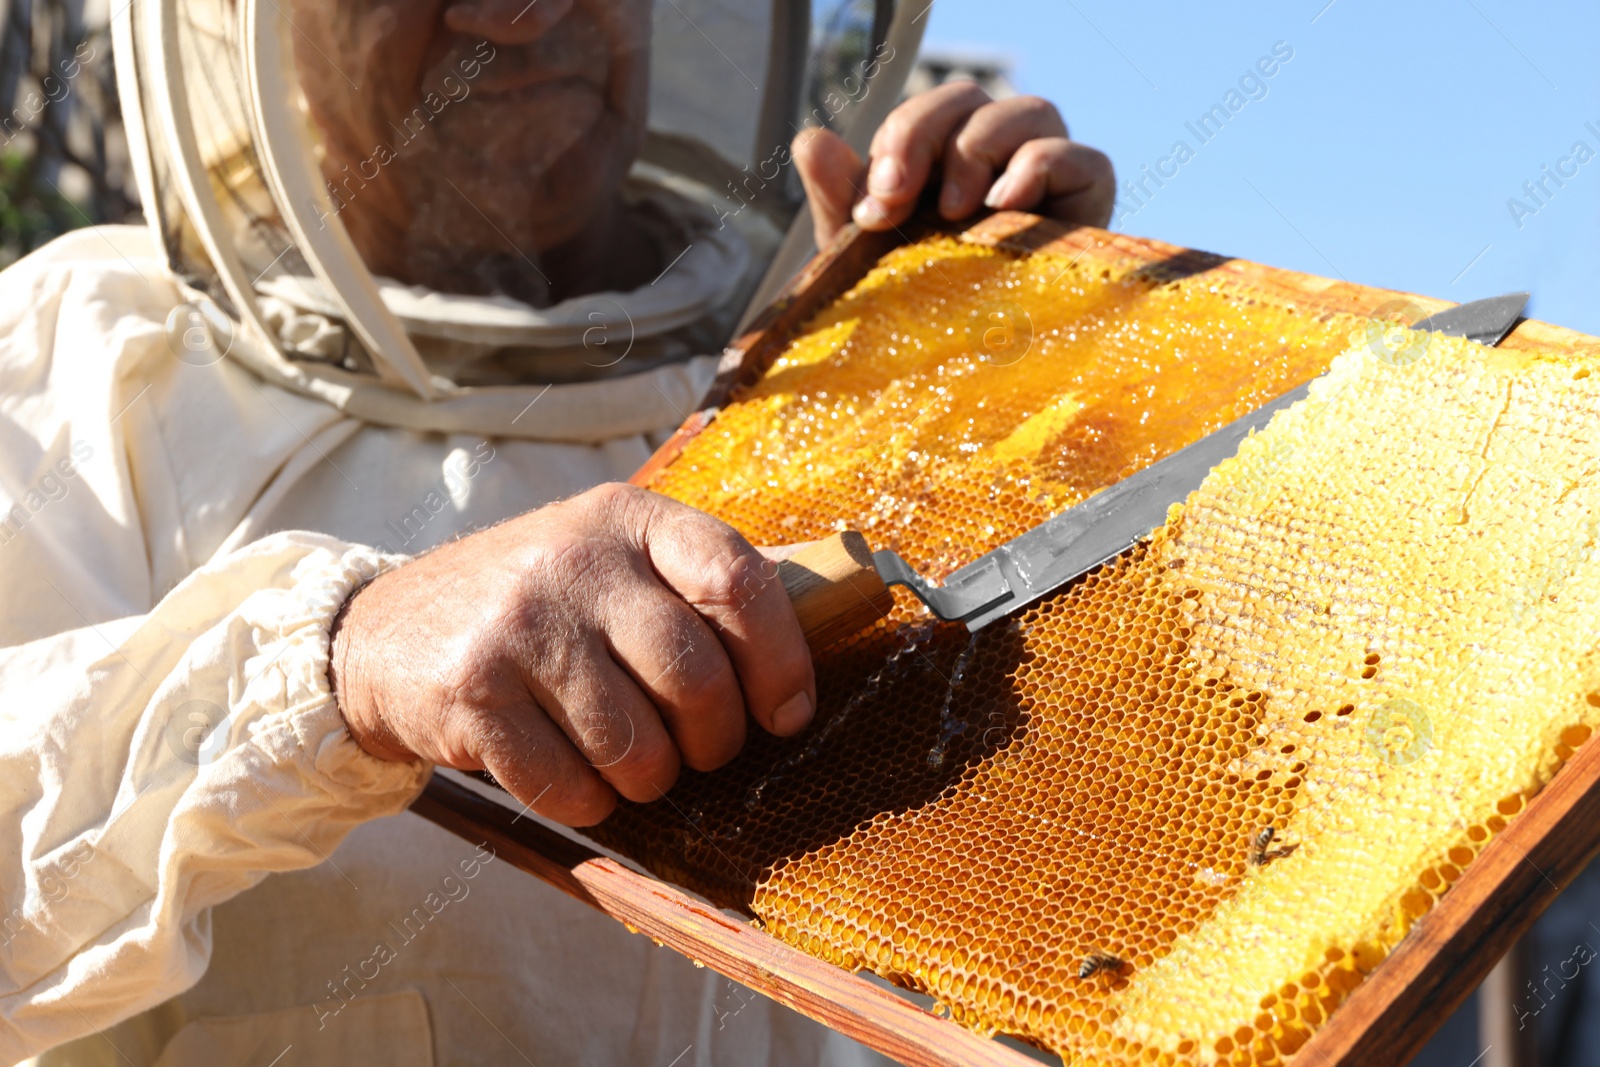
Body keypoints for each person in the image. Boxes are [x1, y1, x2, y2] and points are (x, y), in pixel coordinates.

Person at [0, 0, 1114, 1063]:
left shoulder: (863, 357)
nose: (524, 14)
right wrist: (334, 659)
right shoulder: (82, 370)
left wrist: (1027, 384)